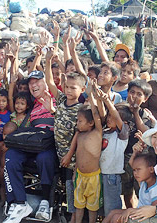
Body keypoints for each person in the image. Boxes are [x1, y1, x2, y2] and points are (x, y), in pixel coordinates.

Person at [3, 70, 58, 223]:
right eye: (31, 83)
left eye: (37, 82)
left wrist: (53, 110)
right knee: (11, 157)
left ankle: (46, 201)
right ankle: (20, 203)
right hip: (32, 142)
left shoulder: (56, 97)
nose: (33, 85)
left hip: (49, 144)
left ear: (46, 82)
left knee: (45, 158)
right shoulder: (31, 104)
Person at [44, 47, 86, 222]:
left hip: (72, 156)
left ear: (82, 90)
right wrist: (47, 62)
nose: (68, 90)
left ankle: (72, 215)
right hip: (58, 151)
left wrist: (69, 155)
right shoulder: (61, 100)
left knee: (71, 185)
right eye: (66, 87)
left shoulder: (81, 109)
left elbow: (78, 134)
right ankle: (58, 209)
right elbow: (49, 82)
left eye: (73, 88)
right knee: (59, 182)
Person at [95, 87, 132, 216]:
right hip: (99, 173)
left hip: (111, 176)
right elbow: (101, 114)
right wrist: (100, 100)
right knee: (101, 205)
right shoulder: (105, 131)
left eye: (113, 116)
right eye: (109, 116)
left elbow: (116, 115)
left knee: (111, 207)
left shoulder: (122, 134)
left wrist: (108, 102)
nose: (110, 118)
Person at [104, 153, 157, 223]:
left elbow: (153, 210)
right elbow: (133, 164)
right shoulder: (144, 182)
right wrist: (135, 153)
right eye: (134, 170)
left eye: (138, 169)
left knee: (116, 218)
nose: (135, 173)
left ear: (151, 169)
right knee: (112, 213)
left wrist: (130, 211)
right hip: (142, 213)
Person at [122, 80, 155, 209]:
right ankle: (130, 213)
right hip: (123, 155)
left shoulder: (144, 114)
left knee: (140, 188)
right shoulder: (121, 109)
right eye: (132, 92)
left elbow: (145, 131)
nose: (134, 96)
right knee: (126, 190)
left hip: (139, 157)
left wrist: (135, 113)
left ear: (145, 98)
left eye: (139, 94)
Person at [74, 88, 103, 223]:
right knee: (78, 205)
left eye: (80, 121)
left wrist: (91, 94)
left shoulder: (96, 133)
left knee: (92, 207)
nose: (77, 123)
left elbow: (96, 114)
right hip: (80, 176)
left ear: (90, 123)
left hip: (93, 178)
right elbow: (78, 156)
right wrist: (75, 172)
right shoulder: (80, 136)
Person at [0, 121, 18, 206]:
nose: (5, 137)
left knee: (10, 186)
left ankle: (11, 201)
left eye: (9, 135)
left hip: (9, 171)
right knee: (2, 186)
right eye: (4, 134)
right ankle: (3, 200)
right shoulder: (1, 144)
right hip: (1, 169)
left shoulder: (15, 145)